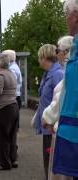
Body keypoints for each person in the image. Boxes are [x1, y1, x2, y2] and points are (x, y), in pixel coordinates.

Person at [46, 1, 78, 178]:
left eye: (67, 15)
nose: (66, 19)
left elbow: (63, 95)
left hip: (69, 136)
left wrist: (49, 118)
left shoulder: (69, 65)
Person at [42, 36, 73, 180]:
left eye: (58, 50)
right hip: (64, 128)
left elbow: (61, 98)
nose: (57, 53)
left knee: (61, 174)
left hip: (65, 130)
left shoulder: (67, 71)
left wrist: (47, 118)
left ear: (66, 51)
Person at [33, 44, 64, 179]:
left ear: (45, 57)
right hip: (47, 127)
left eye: (40, 57)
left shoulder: (58, 74)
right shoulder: (48, 74)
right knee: (47, 161)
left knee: (51, 164)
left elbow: (60, 102)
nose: (39, 61)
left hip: (53, 129)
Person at [2, 50, 23, 124]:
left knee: (10, 123)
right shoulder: (13, 67)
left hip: (12, 98)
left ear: (8, 58)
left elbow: (9, 84)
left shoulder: (12, 69)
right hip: (15, 97)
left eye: (3, 57)